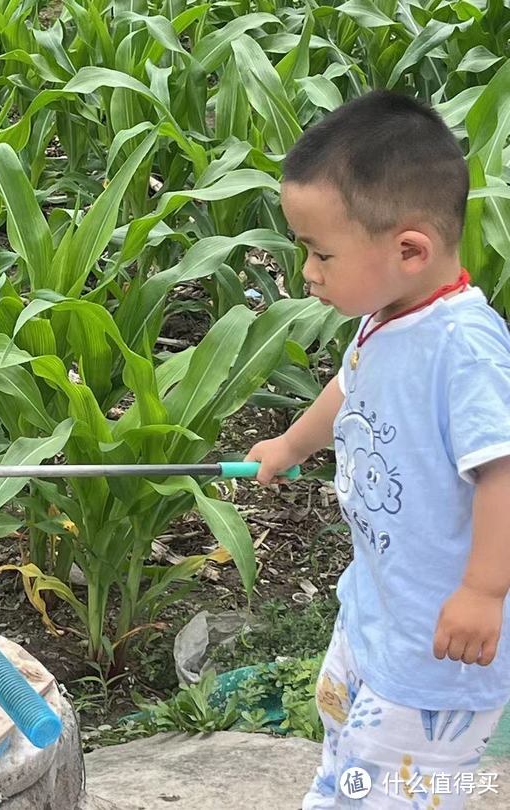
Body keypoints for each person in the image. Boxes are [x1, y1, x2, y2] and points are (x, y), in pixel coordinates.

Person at [247, 90, 510, 808]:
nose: (308, 272)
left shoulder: (464, 348)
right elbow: (350, 388)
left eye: (320, 253)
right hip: (378, 615)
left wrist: (484, 592)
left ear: (410, 248)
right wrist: (292, 443)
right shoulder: (388, 316)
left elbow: (504, 471)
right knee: (350, 753)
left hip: (440, 652)